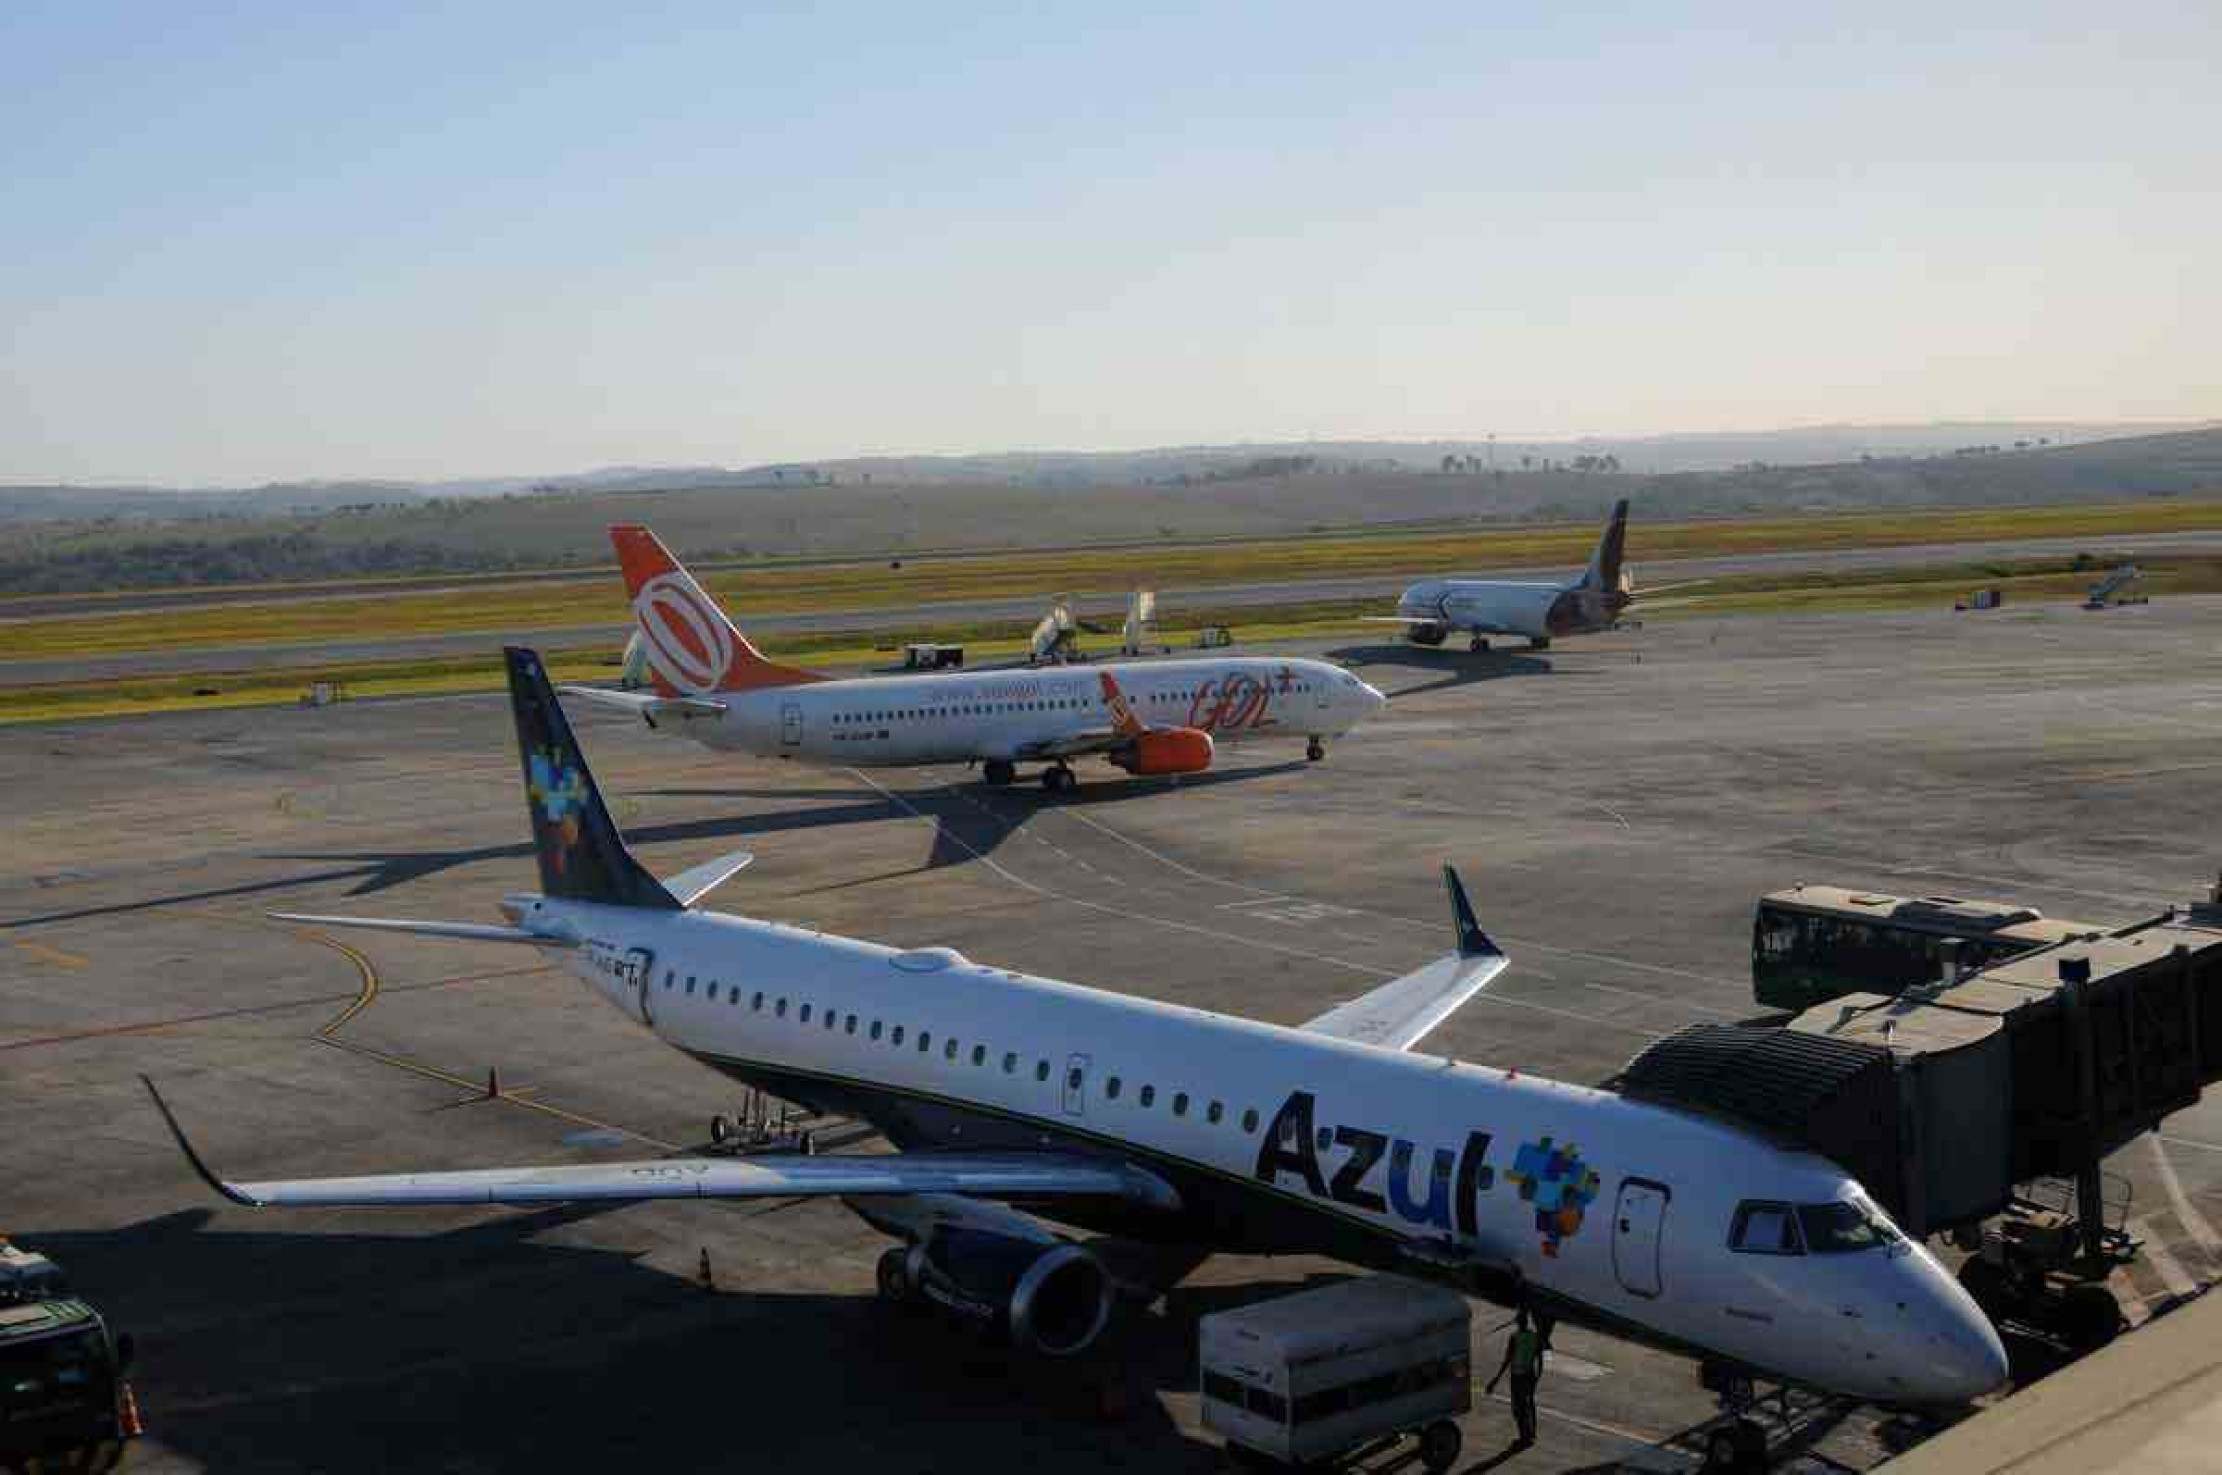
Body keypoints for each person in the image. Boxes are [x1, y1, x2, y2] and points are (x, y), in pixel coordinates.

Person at [1487, 1306, 1547, 1447]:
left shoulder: (1514, 1338)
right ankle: (1531, 1434)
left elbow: (1507, 1360)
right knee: (1529, 1405)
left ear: (1518, 1323)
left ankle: (1524, 1438)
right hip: (1530, 1374)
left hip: (1518, 1376)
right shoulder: (1534, 1337)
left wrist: (1495, 1380)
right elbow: (1540, 1359)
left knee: (1519, 1408)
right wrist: (1537, 1376)